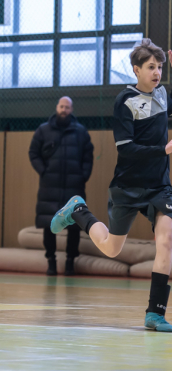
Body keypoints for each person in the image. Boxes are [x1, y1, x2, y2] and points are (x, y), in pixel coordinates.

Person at [50, 39, 172, 332]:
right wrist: (161, 150)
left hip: (159, 186)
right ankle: (78, 211)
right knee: (112, 249)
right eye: (151, 67)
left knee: (165, 239)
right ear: (136, 70)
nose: (157, 72)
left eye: (160, 67)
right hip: (128, 185)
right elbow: (126, 148)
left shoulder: (161, 93)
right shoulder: (125, 101)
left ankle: (155, 313)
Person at [29, 96, 94, 276]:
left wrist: (83, 176)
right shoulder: (43, 130)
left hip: (74, 187)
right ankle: (51, 262)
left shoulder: (81, 132)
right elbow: (33, 153)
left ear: (71, 110)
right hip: (49, 187)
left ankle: (70, 262)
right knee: (49, 224)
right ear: (57, 107)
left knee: (74, 225)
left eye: (67, 107)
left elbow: (88, 156)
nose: (64, 109)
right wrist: (43, 171)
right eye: (61, 106)